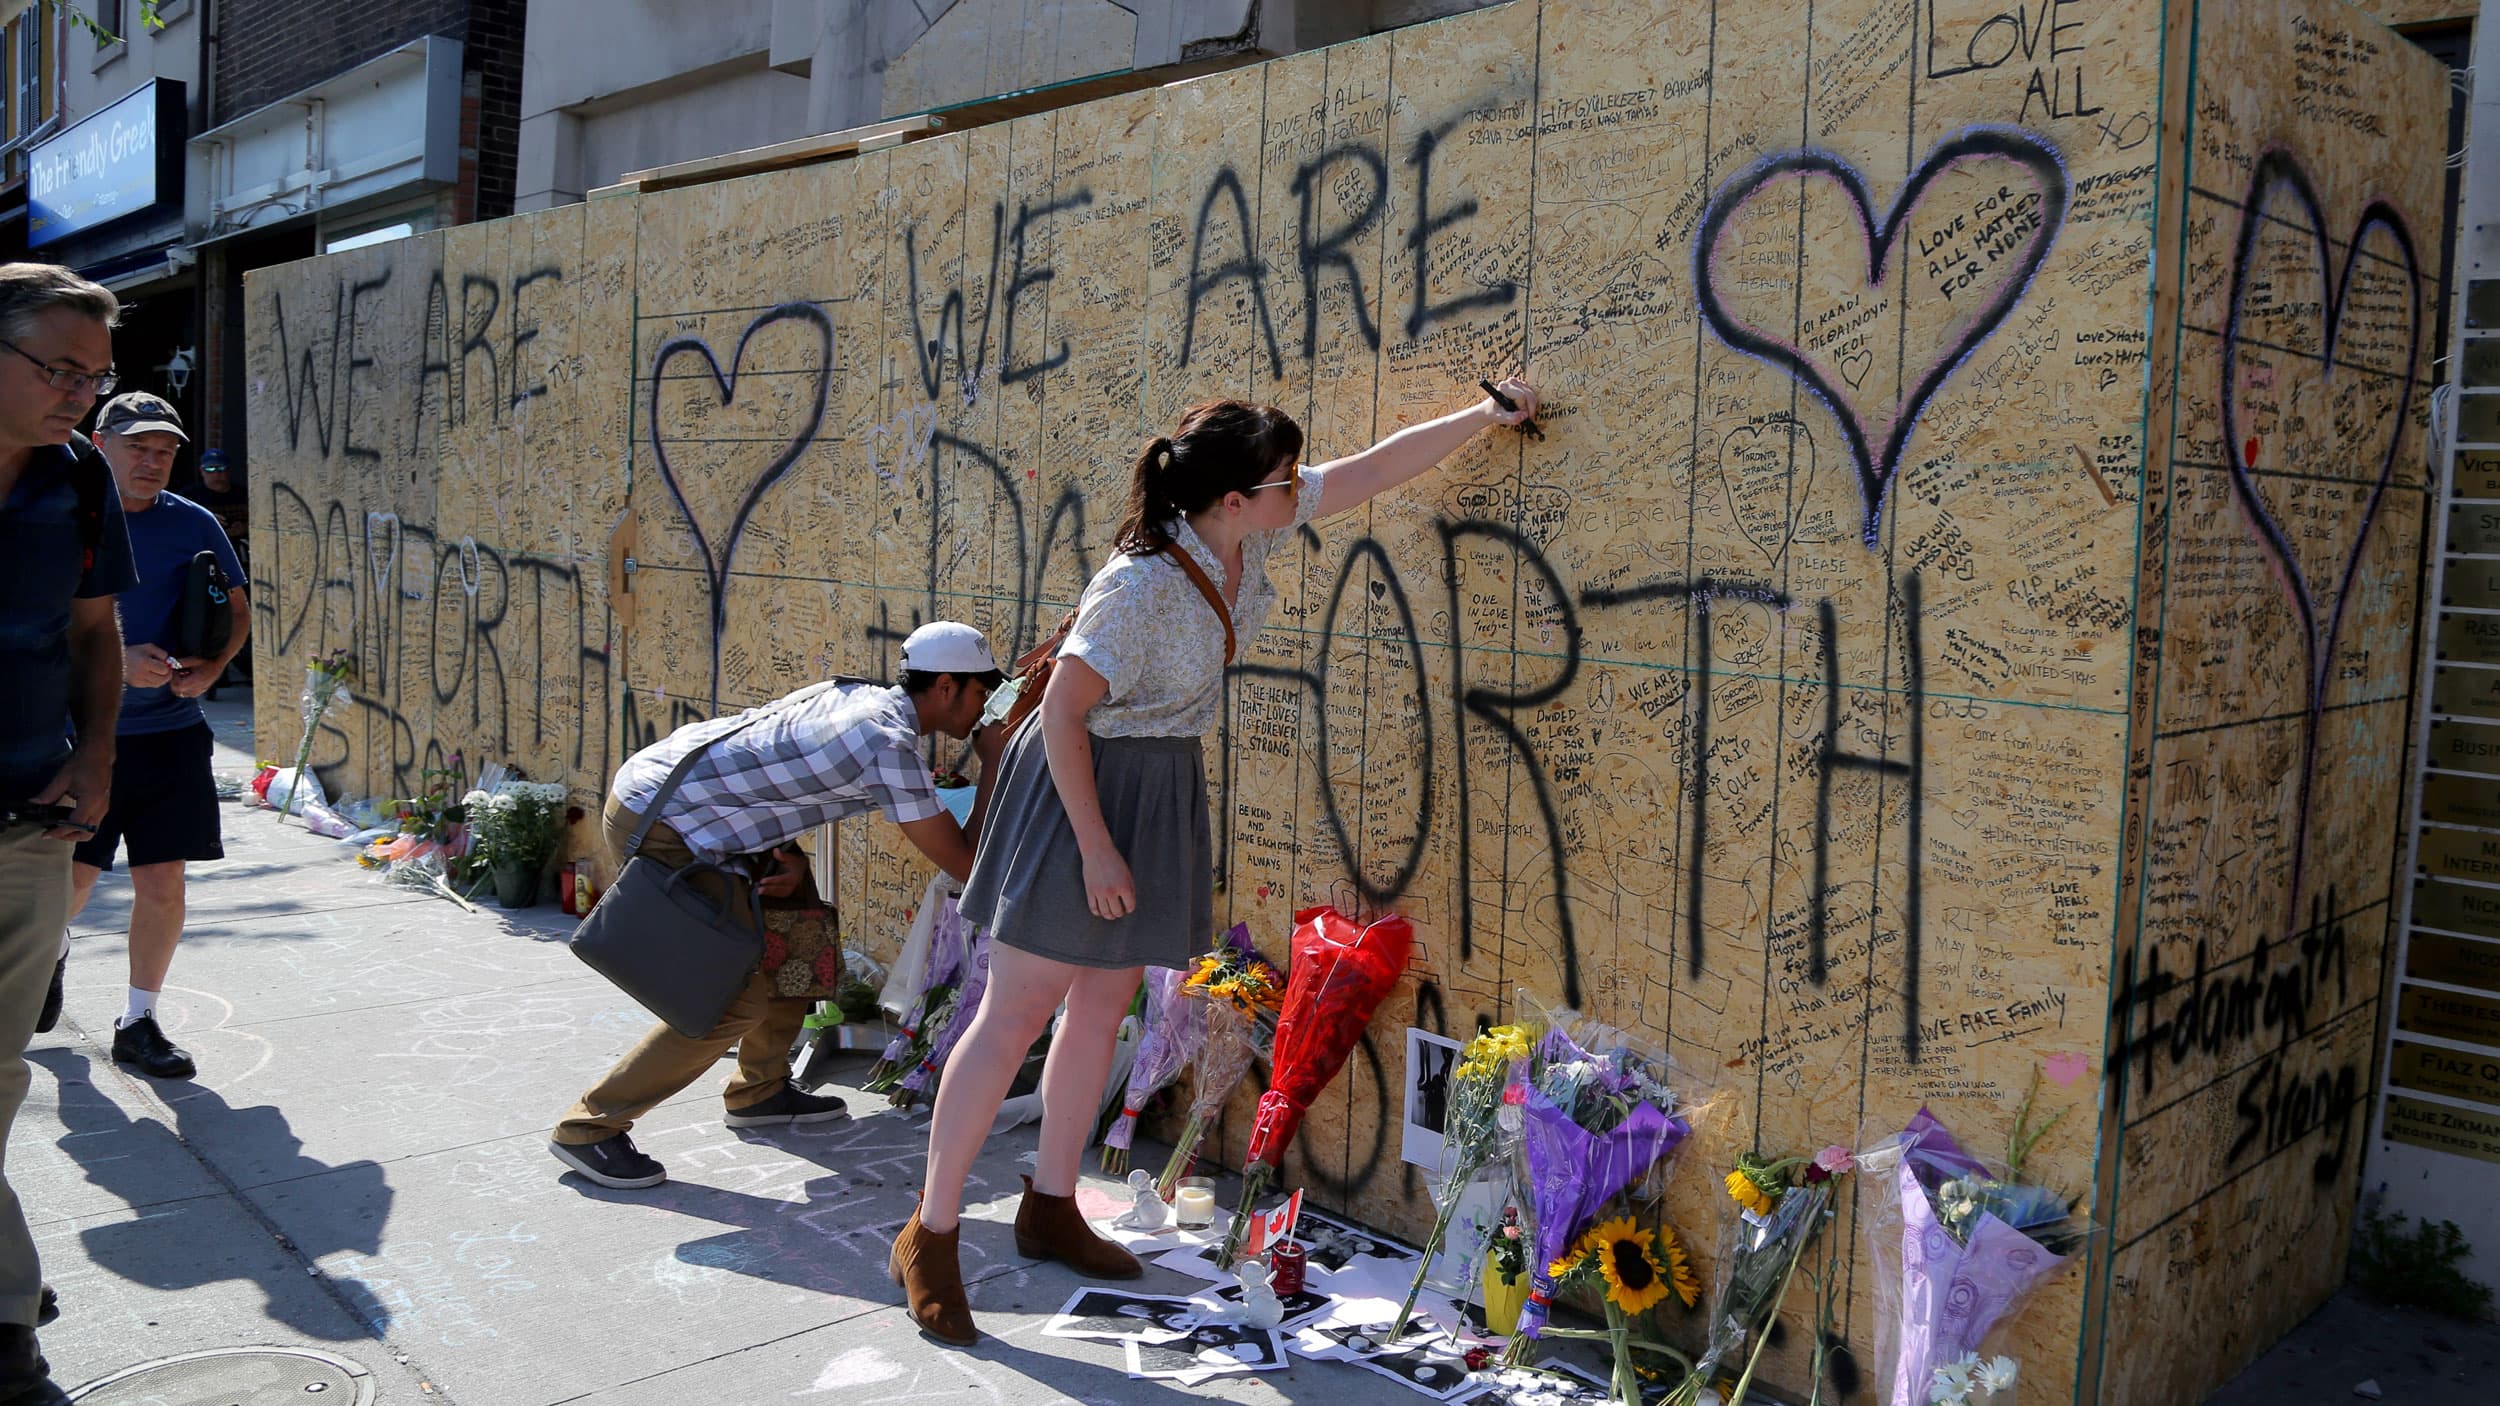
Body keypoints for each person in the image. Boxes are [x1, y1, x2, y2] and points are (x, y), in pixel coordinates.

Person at [893, 376, 1539, 1346]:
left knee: (1104, 1005)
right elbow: (1064, 713)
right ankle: (930, 1233)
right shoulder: (1142, 582)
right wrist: (1100, 845)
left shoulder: (1250, 529)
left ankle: (1053, 1202)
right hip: (1083, 783)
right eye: (1283, 478)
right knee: (1016, 1009)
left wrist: (1484, 416)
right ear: (1232, 498)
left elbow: (1365, 472)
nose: (1300, 489)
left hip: (1157, 782)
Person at [549, 622, 1008, 1190]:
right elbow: (966, 862)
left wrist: (781, 851)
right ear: (945, 687)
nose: (986, 709)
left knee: (799, 927)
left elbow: (762, 769)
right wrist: (994, 766)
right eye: (982, 692)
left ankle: (760, 1089)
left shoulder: (856, 694)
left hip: (686, 799)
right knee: (729, 1004)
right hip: (667, 822)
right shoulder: (889, 746)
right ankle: (590, 1127)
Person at [0, 262, 135, 1406]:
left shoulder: (81, 480)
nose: (81, 396)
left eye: (95, 376)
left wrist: (95, 762)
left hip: (27, 829)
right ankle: (9, 1325)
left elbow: (96, 635)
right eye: (59, 369)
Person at [55, 393, 250, 1082]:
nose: (152, 461)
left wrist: (214, 667)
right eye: (138, 446)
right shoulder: (58, 515)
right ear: (98, 443)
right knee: (71, 884)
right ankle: (49, 954)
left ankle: (138, 1022)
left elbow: (239, 606)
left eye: (165, 450)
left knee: (163, 881)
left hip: (171, 735)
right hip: (78, 739)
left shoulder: (192, 521)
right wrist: (119, 657)